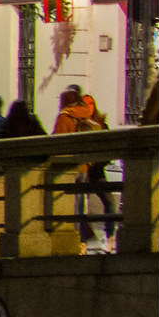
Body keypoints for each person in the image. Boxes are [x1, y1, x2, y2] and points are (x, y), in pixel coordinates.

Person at [54, 84, 113, 243]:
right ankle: (81, 238)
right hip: (85, 167)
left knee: (72, 204)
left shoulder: (65, 116)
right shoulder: (86, 116)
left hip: (71, 166)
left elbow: (59, 141)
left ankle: (74, 239)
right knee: (80, 204)